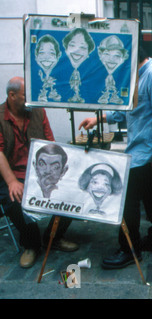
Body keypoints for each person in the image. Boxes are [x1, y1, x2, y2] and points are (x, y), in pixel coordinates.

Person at [79, 46, 152, 269]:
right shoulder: (137, 76)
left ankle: (129, 249)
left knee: (128, 200)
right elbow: (128, 109)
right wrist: (99, 119)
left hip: (147, 150)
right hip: (143, 149)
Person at [0, 77, 78, 268]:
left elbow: (50, 143)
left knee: (73, 192)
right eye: (26, 95)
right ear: (12, 96)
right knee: (14, 198)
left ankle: (54, 237)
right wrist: (11, 181)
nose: (31, 99)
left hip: (38, 170)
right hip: (12, 173)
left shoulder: (38, 111)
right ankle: (31, 245)